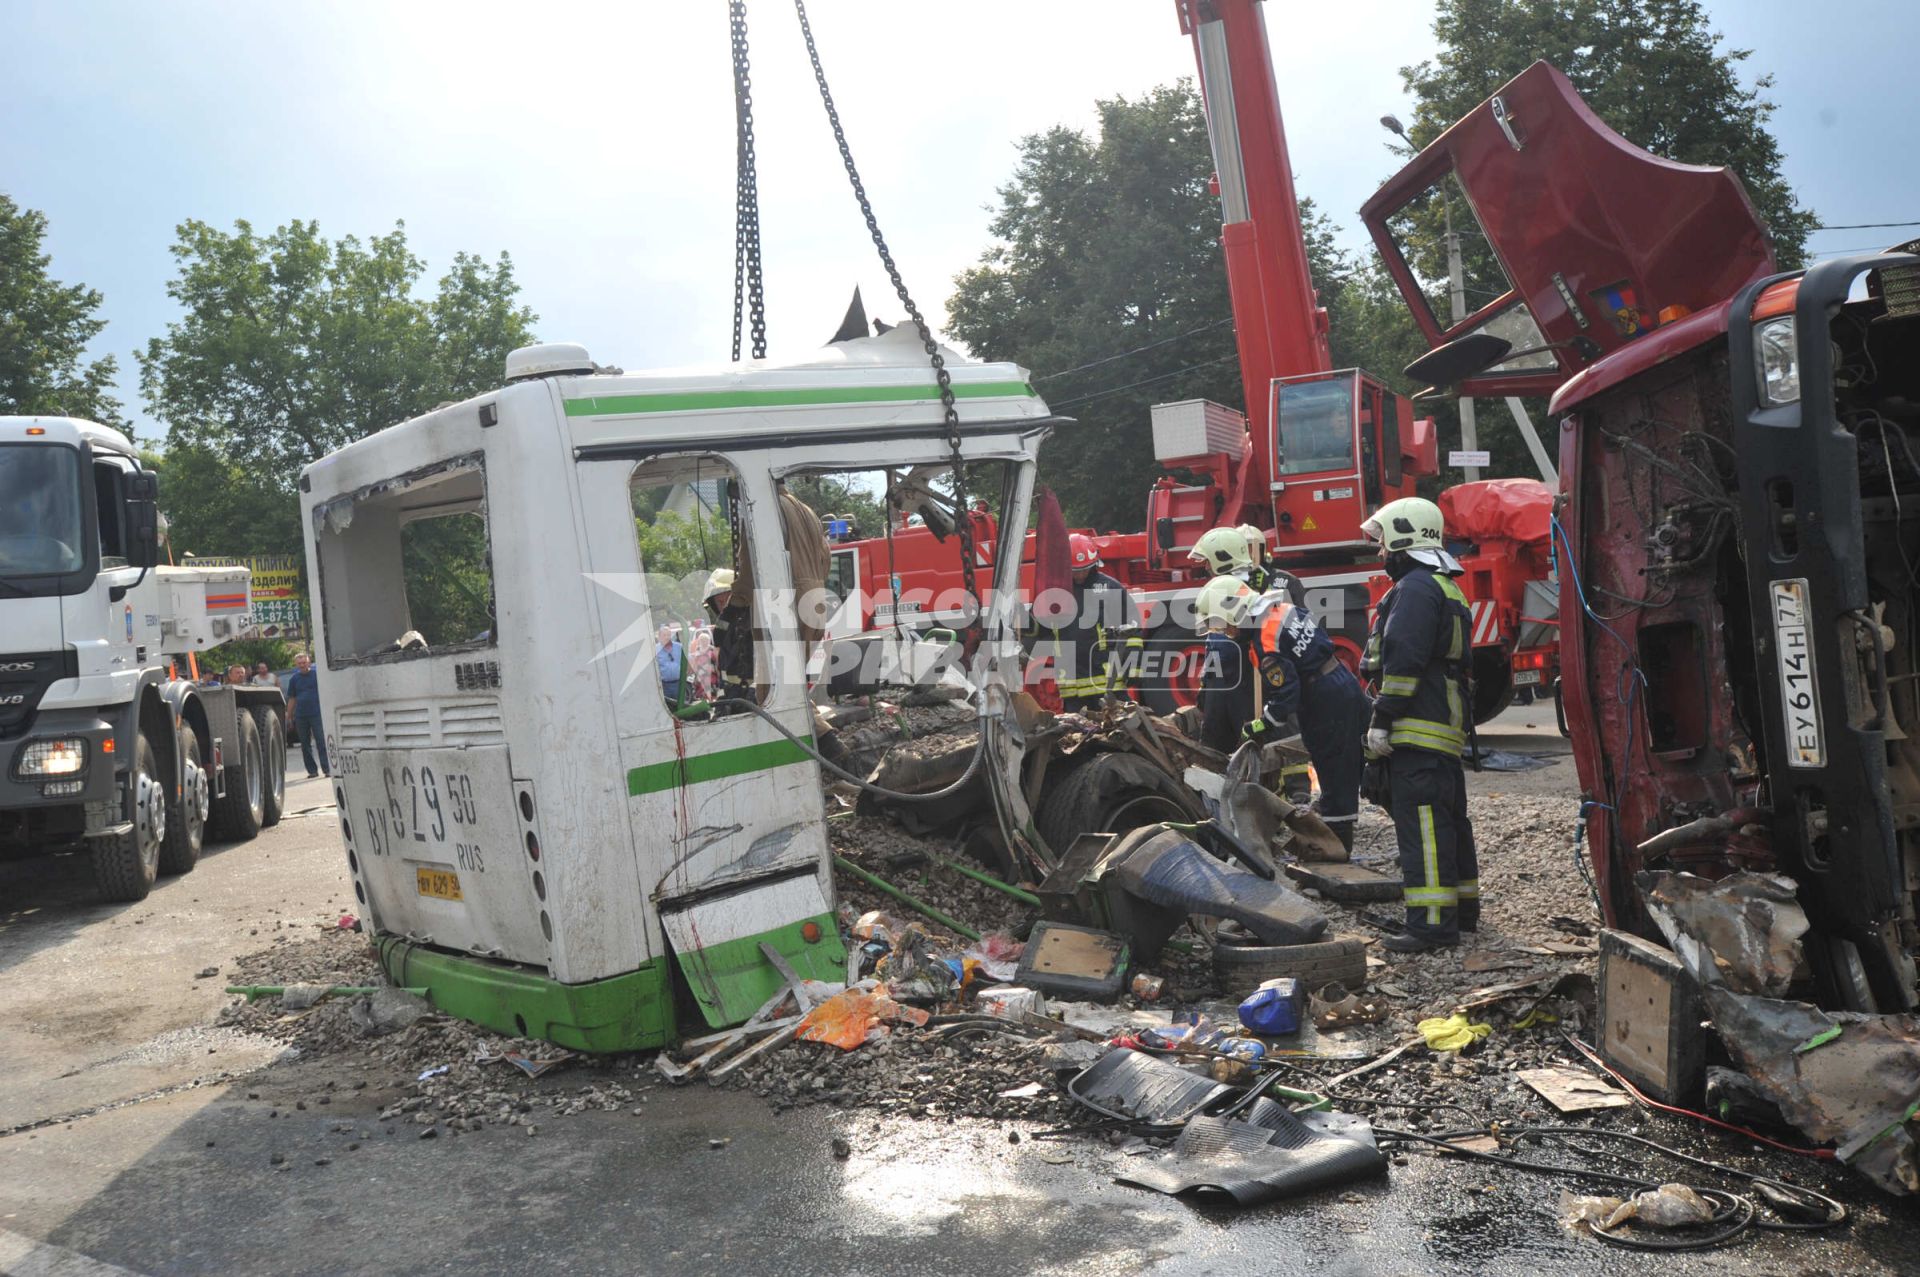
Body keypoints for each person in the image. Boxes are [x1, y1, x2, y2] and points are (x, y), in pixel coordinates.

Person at [1359, 496, 1479, 953]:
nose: (1380, 553)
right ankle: (1463, 913)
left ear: (1403, 540)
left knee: (1424, 824)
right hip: (1443, 725)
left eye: (1383, 543)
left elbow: (1403, 660)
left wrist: (1382, 717)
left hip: (1417, 723)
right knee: (1451, 822)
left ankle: (1431, 926)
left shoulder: (1413, 589)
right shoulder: (1445, 585)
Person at [1238, 576, 1370, 854]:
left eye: (1223, 624)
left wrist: (1263, 724)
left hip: (1324, 697)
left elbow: (1286, 695)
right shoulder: (1283, 610)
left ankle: (1335, 849)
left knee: (1333, 767)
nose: (1225, 632)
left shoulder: (1265, 642)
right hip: (1341, 679)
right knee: (1356, 762)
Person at [1187, 525, 1310, 801]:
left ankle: (1290, 794)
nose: (1204, 567)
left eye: (1207, 561)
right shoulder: (1219, 587)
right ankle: (1216, 801)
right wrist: (1206, 686)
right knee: (1216, 743)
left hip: (1251, 675)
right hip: (1222, 676)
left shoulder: (1271, 585)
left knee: (1271, 736)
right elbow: (1212, 639)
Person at [1046, 534, 1142, 711]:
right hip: (1072, 686)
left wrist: (1133, 667)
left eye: (1085, 569)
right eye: (1075, 570)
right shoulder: (1056, 591)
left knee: (1121, 729)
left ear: (1094, 564)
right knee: (1077, 735)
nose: (1080, 574)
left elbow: (1133, 629)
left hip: (1107, 681)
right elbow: (1042, 627)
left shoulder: (1110, 588)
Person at [702, 568, 754, 703]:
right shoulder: (722, 632)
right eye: (718, 602)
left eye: (727, 600)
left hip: (750, 697)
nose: (723, 606)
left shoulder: (751, 627)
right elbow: (723, 672)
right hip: (732, 696)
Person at [285, 651, 329, 778]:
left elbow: (325, 692)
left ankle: (327, 769)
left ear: (308, 662)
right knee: (305, 744)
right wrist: (289, 716)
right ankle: (312, 771)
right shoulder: (294, 679)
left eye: (304, 662)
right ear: (296, 664)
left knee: (321, 741)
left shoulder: (316, 675)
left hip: (317, 713)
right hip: (301, 716)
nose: (302, 665)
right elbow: (292, 698)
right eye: (299, 663)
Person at [654, 624, 684, 705]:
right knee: (668, 708)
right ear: (659, 637)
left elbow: (688, 660)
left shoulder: (679, 647)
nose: (667, 637)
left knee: (680, 707)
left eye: (668, 635)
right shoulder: (655, 650)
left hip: (679, 684)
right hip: (664, 686)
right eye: (664, 635)